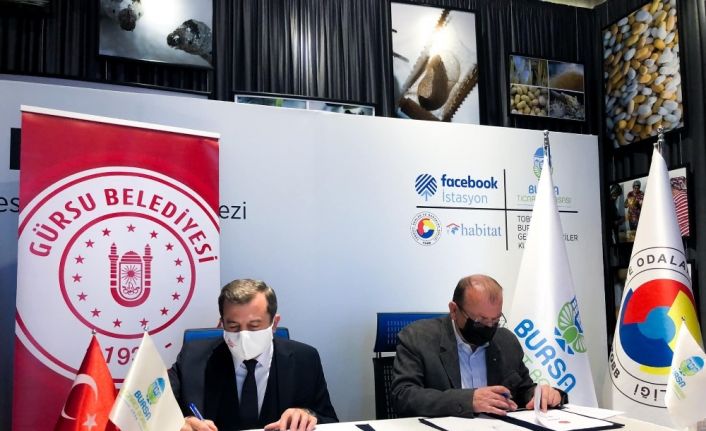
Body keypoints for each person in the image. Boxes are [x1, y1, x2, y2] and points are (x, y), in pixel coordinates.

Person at [169, 279, 338, 431]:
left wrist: (307, 415)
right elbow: (158, 410)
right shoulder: (192, 357)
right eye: (233, 326)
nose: (244, 336)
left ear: (274, 323)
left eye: (254, 326)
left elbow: (330, 420)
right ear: (221, 324)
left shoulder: (305, 359)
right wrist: (180, 423)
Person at [391, 274, 567, 417]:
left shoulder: (506, 341)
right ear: (454, 310)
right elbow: (403, 396)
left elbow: (523, 390)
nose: (489, 327)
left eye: (495, 320)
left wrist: (541, 395)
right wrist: (469, 400)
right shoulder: (418, 337)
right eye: (480, 321)